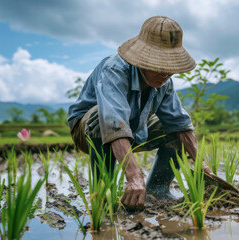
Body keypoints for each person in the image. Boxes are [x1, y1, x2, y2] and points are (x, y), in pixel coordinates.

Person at [68, 16, 213, 211]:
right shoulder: (115, 70)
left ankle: (157, 190)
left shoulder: (164, 83)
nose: (165, 73)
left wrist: (204, 167)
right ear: (142, 58)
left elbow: (180, 123)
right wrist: (135, 177)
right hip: (89, 131)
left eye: (169, 68)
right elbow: (113, 122)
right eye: (158, 65)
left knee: (174, 129)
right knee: (98, 116)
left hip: (135, 129)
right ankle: (103, 195)